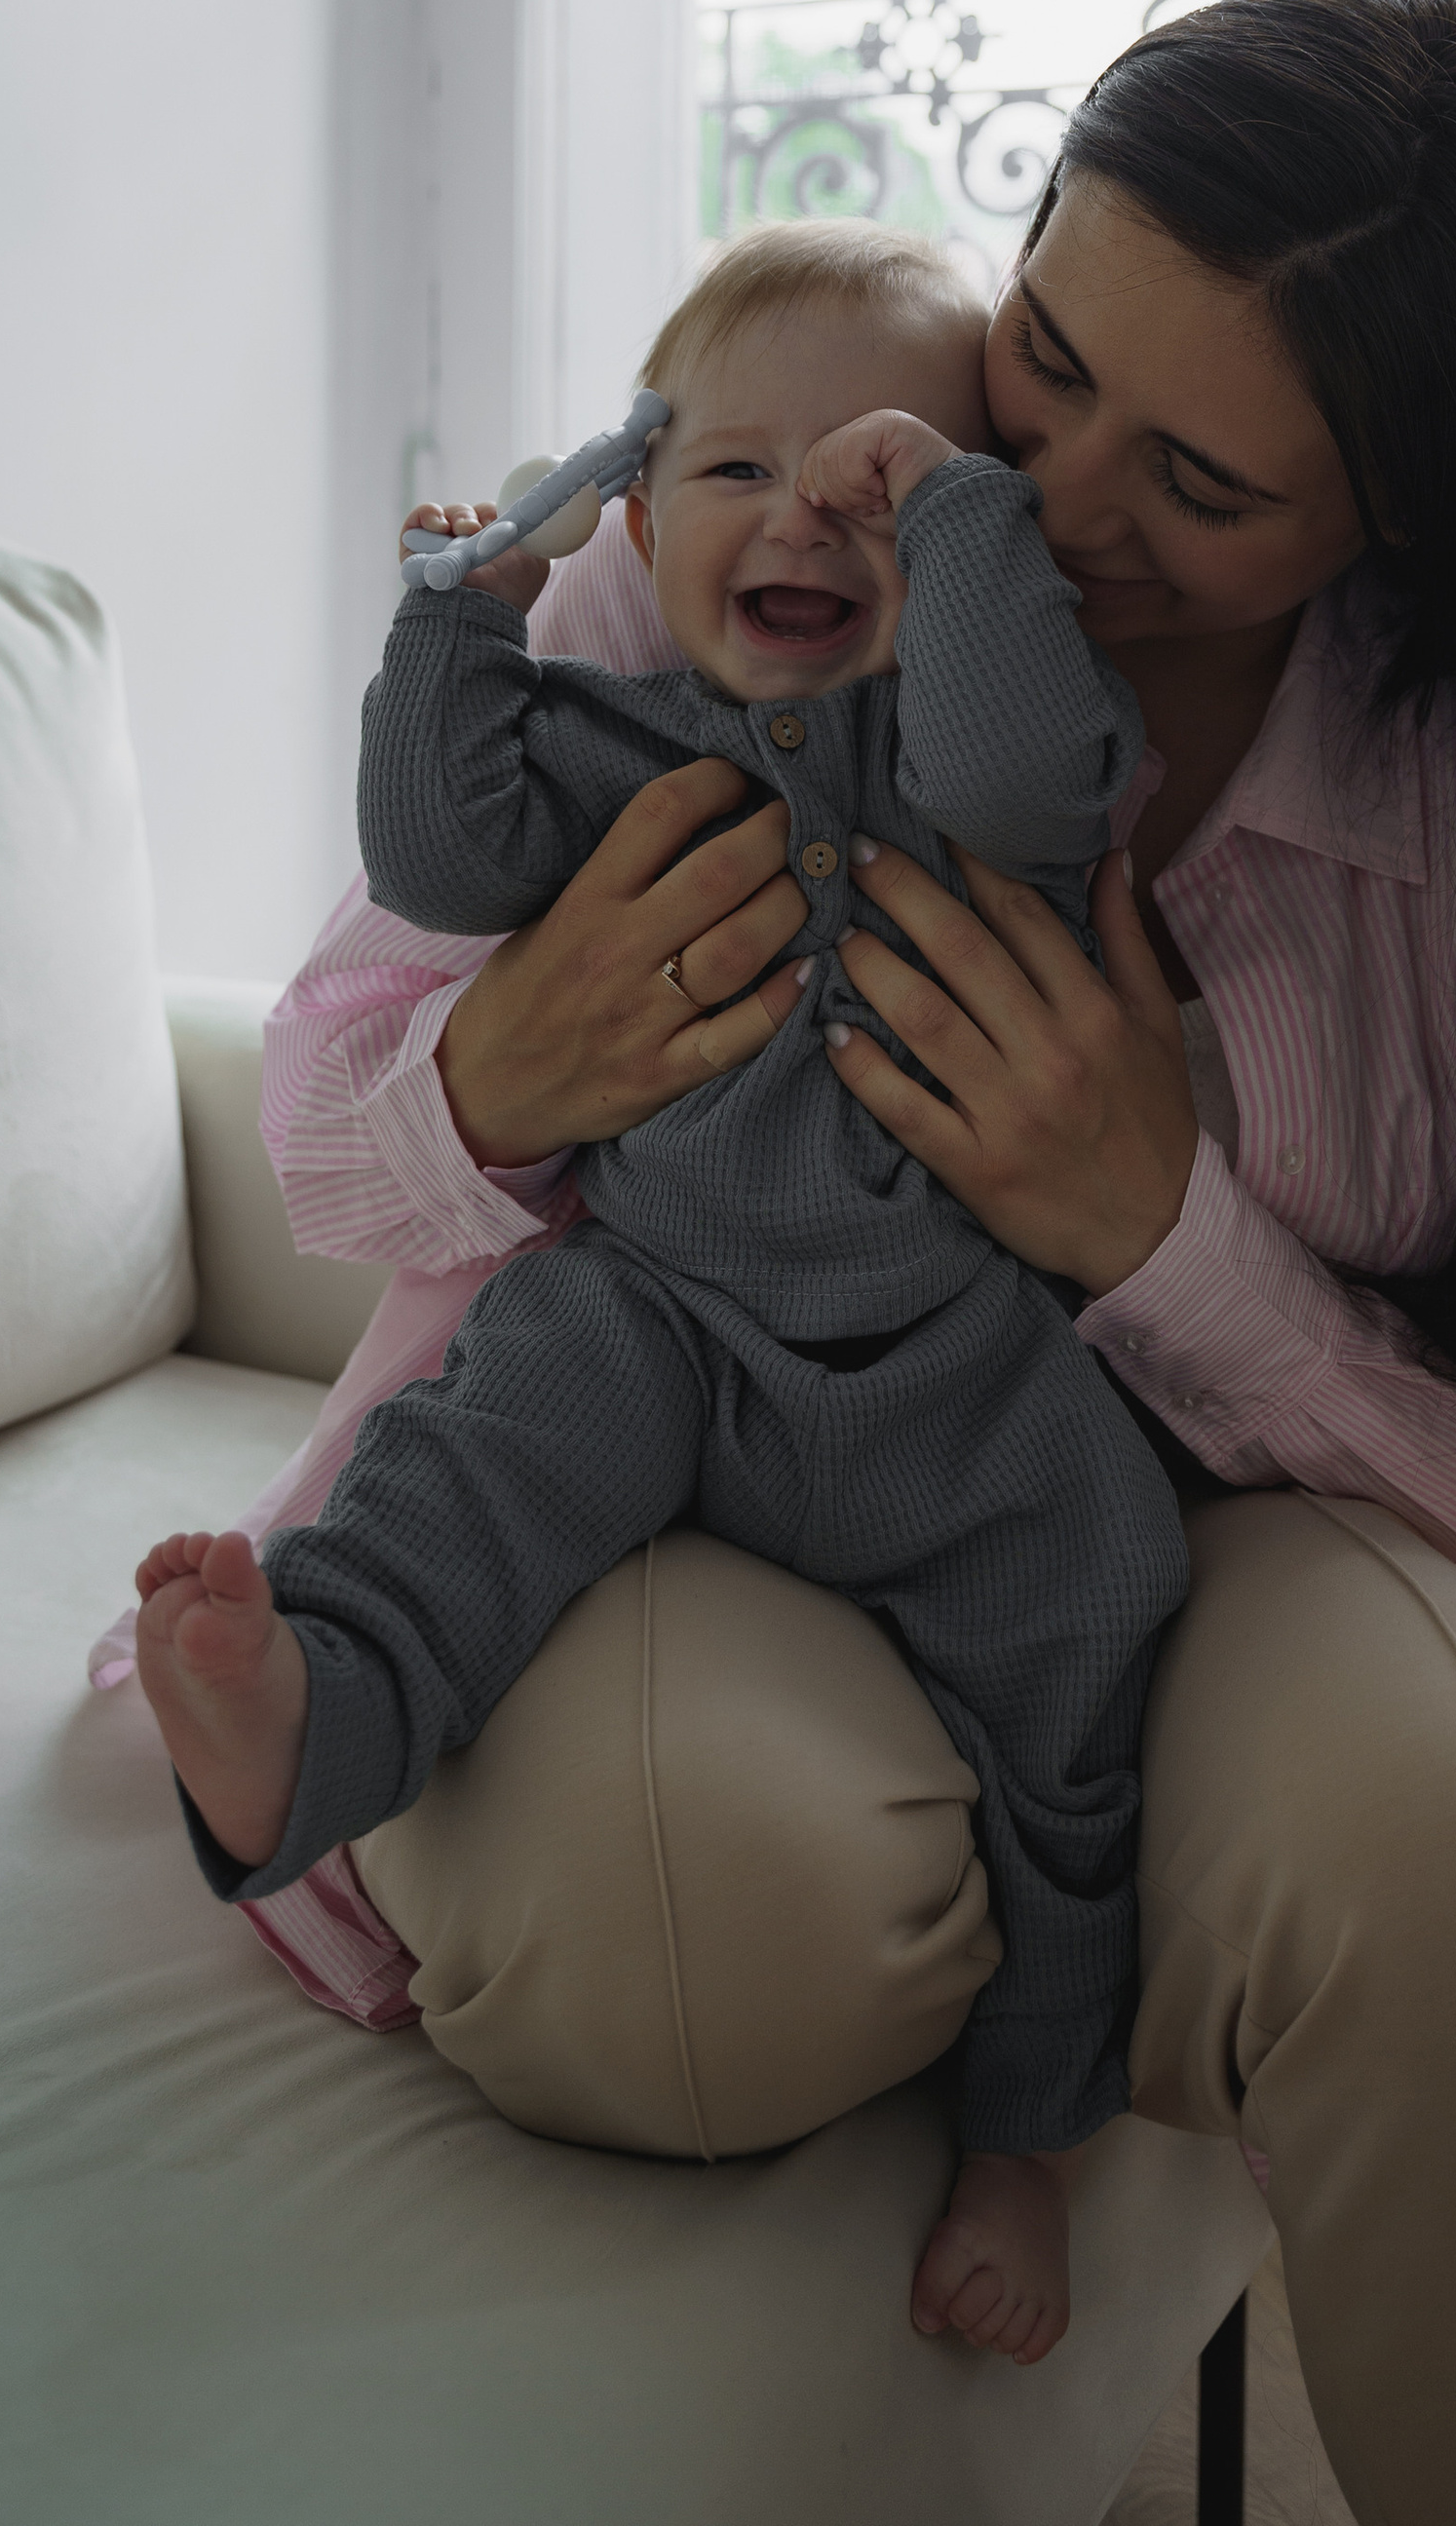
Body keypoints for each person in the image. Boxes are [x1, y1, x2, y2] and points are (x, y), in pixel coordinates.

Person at [121, 0, 1456, 2525]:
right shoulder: (742, 545)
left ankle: (1094, 1981)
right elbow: (314, 1146)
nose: (1053, 486)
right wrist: (514, 1070)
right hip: (671, 1453)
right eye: (1050, 352)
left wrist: (1156, 1230)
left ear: (1408, 511)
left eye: (1203, 481)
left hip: (1146, 1524)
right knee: (702, 1909)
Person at [133, 220, 1188, 2362]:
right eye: (731, 472)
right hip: (665, 1330)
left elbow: (1030, 762)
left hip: (954, 1377)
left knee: (1091, 1624)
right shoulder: (618, 739)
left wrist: (962, 526)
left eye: (873, 478)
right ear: (632, 514)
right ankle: (308, 1714)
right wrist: (462, 616)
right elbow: (440, 854)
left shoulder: (978, 772)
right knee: (474, 1453)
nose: (801, 515)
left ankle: (1029, 2129)